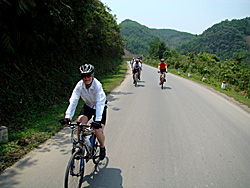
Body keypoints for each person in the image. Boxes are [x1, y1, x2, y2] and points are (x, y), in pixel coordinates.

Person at [62, 64, 107, 160]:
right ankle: (80, 147)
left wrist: (98, 120)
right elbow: (73, 101)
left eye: (88, 75)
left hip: (100, 107)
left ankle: (102, 147)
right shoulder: (79, 85)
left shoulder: (97, 85)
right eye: (84, 76)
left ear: (92, 74)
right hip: (88, 106)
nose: (86, 78)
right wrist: (68, 117)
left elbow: (100, 103)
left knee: (98, 130)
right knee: (80, 123)